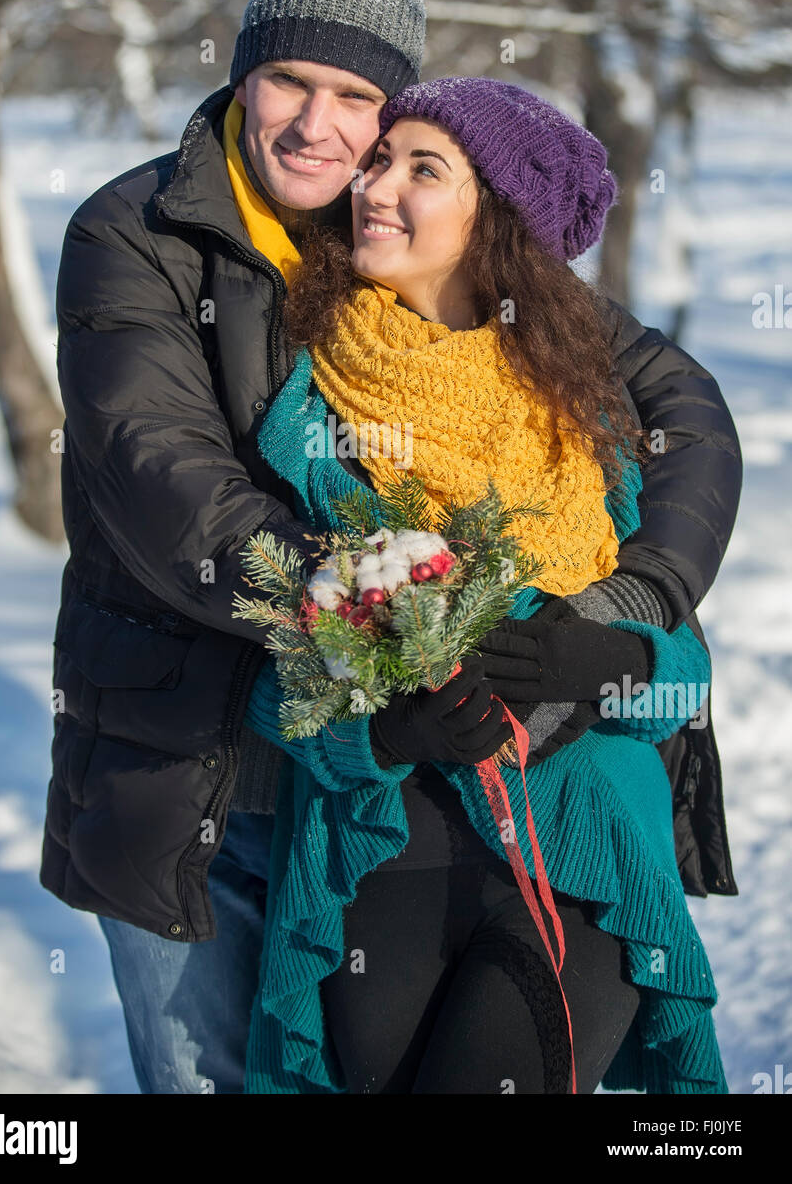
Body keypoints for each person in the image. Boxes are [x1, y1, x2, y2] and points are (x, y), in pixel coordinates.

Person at [39, 0, 740, 1095]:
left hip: (391, 783)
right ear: (241, 75)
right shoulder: (137, 234)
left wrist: (621, 607)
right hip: (185, 772)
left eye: (359, 102)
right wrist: (398, 635)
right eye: (288, 80)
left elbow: (680, 408)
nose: (320, 128)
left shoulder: (397, 241)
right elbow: (177, 499)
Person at [238, 76, 731, 1094]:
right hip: (385, 848)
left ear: (494, 221)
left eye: (424, 169)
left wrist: (610, 652)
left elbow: (679, 665)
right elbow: (269, 661)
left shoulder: (579, 411)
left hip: (579, 845)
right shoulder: (308, 409)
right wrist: (379, 735)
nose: (375, 185)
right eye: (379, 160)